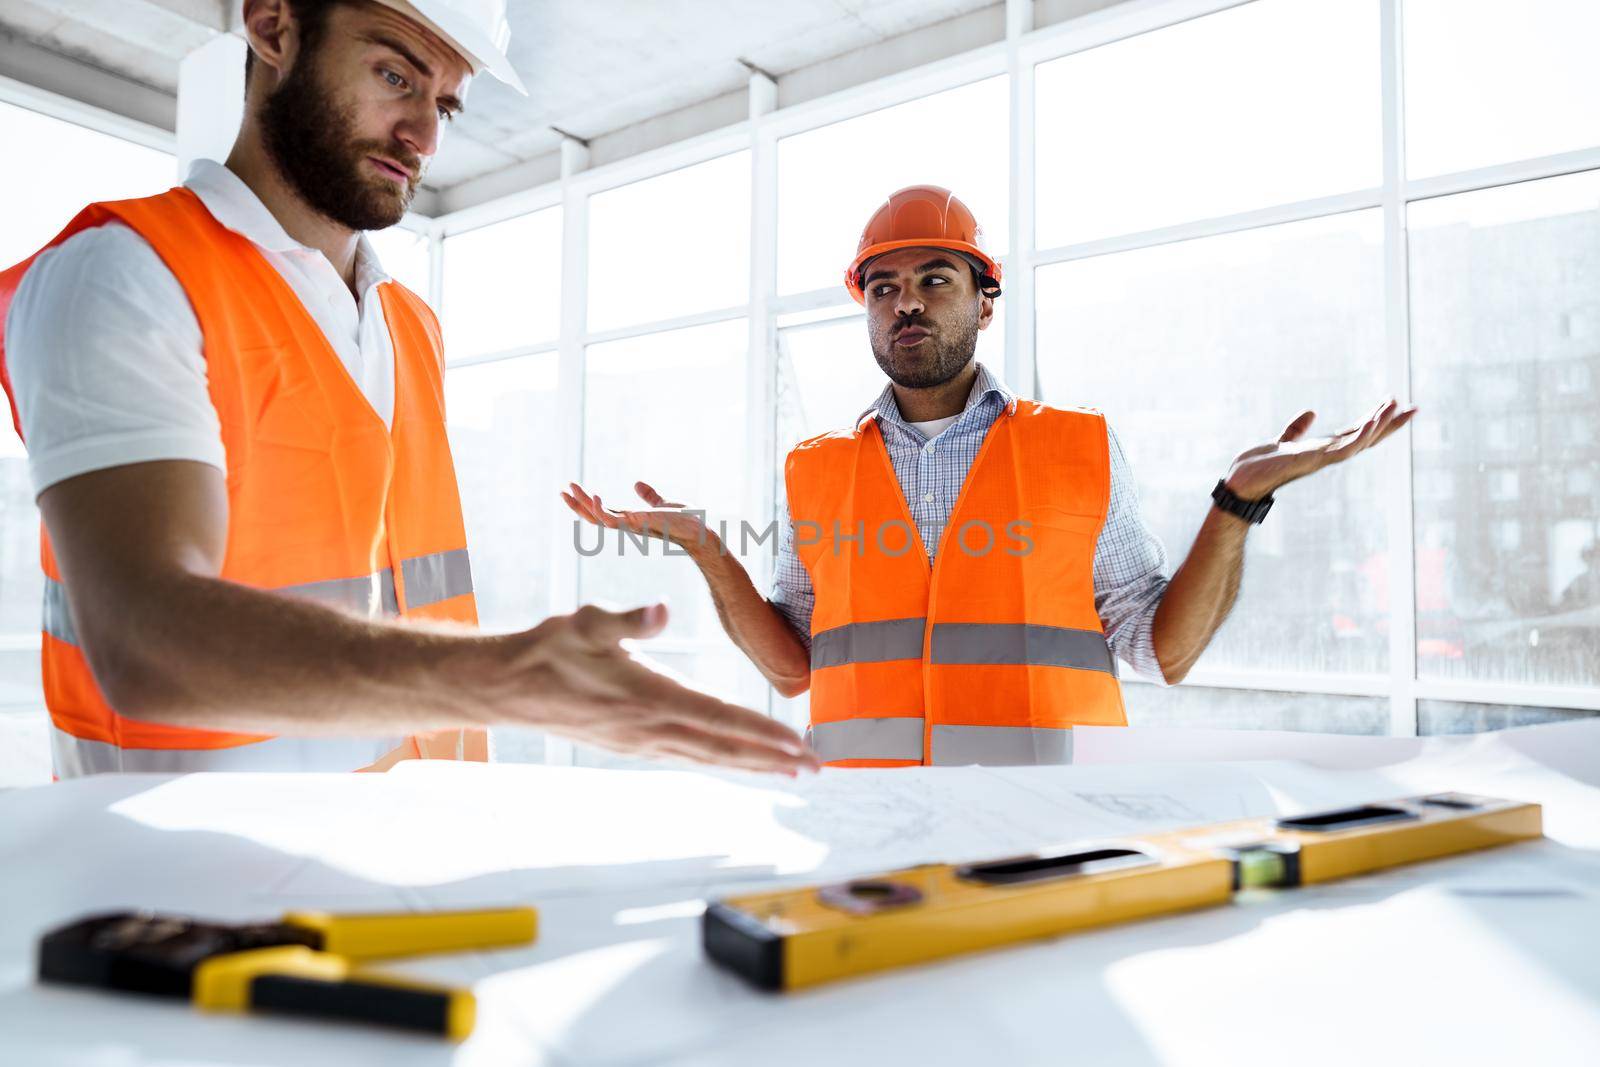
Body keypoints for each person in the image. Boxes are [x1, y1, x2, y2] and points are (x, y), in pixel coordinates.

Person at [0, 0, 815, 779]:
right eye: (396, 75)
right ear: (273, 26)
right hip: (179, 889)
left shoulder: (406, 324)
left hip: (401, 855)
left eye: (447, 104)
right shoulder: (122, 275)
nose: (425, 134)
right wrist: (505, 674)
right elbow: (143, 639)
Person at [565, 185, 1415, 767]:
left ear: (984, 299)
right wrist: (710, 551)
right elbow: (794, 668)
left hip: (1041, 822)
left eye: (936, 279)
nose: (907, 303)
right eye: (884, 286)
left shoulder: (1078, 447)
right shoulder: (816, 468)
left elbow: (1160, 652)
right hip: (867, 817)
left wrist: (1237, 503)